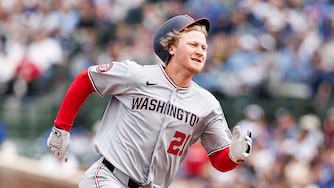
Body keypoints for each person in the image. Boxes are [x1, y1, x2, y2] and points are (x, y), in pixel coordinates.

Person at [47, 14, 252, 188]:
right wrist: (61, 128)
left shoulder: (208, 104)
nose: (200, 51)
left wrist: (233, 157)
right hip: (109, 178)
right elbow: (87, 79)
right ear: (171, 48)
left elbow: (219, 160)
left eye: (204, 47)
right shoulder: (136, 75)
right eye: (193, 44)